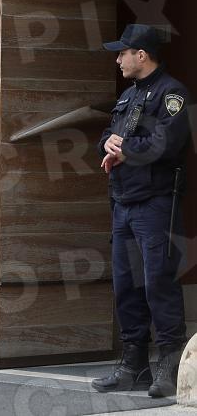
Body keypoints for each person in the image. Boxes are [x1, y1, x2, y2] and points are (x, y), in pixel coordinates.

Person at [92, 24, 190, 398]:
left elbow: (167, 143)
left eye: (122, 53)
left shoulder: (172, 93)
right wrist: (108, 142)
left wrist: (124, 149)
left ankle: (170, 363)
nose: (118, 59)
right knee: (127, 286)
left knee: (158, 283)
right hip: (124, 202)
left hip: (155, 203)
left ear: (141, 55)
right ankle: (134, 366)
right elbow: (110, 134)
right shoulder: (129, 95)